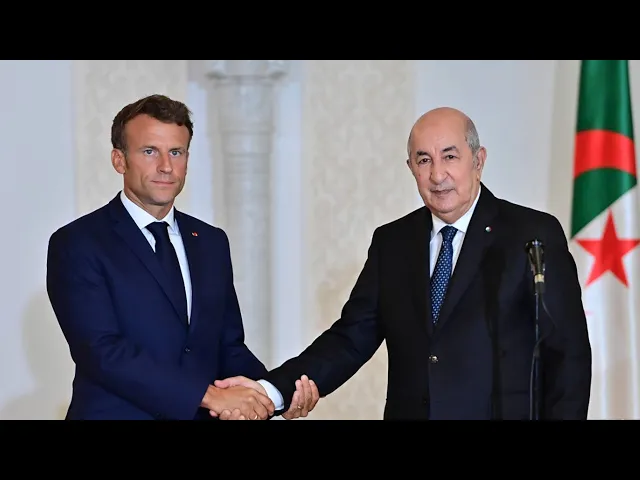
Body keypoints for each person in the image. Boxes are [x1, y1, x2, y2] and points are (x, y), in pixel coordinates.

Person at [218, 106, 592, 420]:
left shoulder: (531, 234)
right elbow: (350, 339)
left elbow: (568, 355)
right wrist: (272, 391)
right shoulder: (393, 242)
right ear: (410, 167)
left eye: (450, 156)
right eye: (424, 160)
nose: (437, 175)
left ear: (478, 161)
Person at [46, 94, 317, 420]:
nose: (166, 166)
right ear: (119, 160)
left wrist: (272, 395)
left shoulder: (211, 242)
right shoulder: (78, 242)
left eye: (176, 152)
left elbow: (227, 346)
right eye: (150, 151)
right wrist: (210, 396)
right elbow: (103, 352)